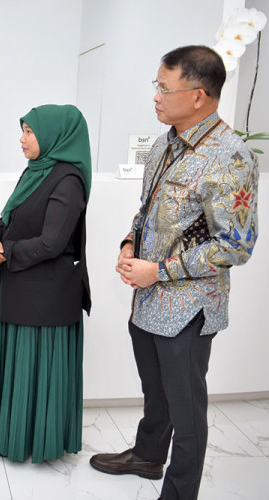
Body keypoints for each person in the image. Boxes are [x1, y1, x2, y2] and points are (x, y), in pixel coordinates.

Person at [90, 45, 259, 500]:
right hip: (147, 299)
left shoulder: (231, 156)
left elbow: (236, 245)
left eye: (164, 89)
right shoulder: (165, 144)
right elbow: (147, 211)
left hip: (189, 307)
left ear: (199, 95)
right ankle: (147, 456)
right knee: (156, 392)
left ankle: (180, 492)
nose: (156, 97)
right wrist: (128, 243)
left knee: (187, 411)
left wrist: (159, 271)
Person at [0, 104, 92, 463]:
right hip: (19, 287)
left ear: (55, 135)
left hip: (44, 299)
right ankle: (8, 436)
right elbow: (9, 216)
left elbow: (52, 243)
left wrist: (5, 252)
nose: (22, 139)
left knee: (33, 369)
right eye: (23, 130)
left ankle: (33, 443)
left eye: (29, 131)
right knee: (16, 370)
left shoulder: (68, 179)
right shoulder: (35, 172)